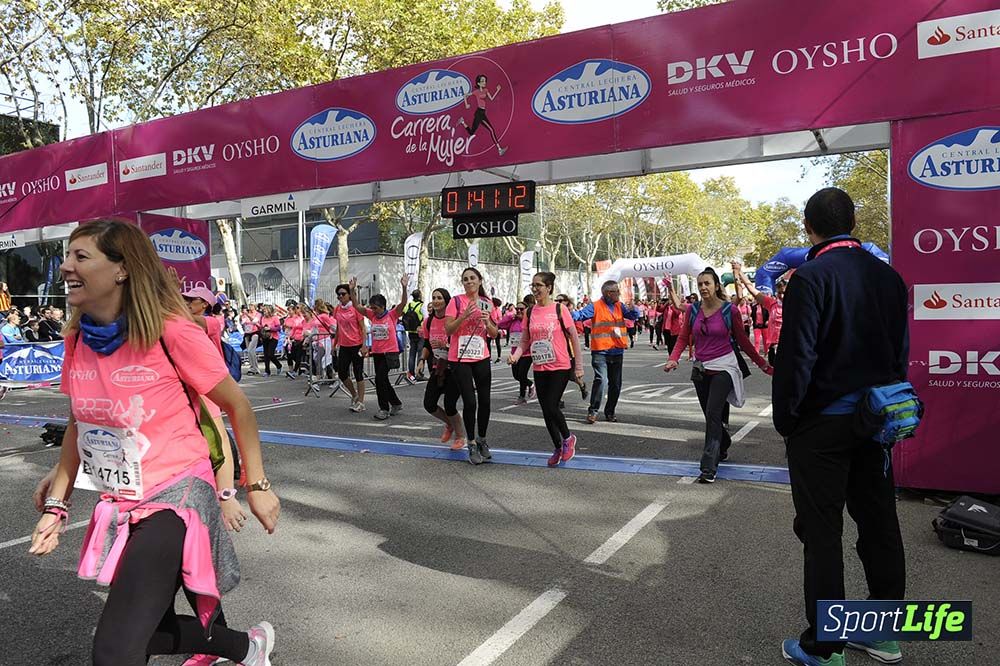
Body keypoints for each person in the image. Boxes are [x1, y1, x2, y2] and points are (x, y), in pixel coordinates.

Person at [28, 219, 280, 666]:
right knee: (146, 635)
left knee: (114, 651)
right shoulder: (76, 339)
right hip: (121, 499)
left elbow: (237, 408)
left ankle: (244, 646)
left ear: (122, 269)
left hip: (177, 495)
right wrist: (58, 502)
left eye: (80, 257)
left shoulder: (173, 332)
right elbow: (77, 424)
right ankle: (246, 647)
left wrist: (254, 486)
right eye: (67, 256)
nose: (66, 267)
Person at [773, 188, 908, 666]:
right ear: (853, 221)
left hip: (823, 425)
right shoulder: (889, 278)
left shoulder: (810, 277)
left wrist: (786, 419)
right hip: (876, 421)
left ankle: (825, 647)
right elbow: (900, 355)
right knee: (879, 522)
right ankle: (884, 633)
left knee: (822, 531)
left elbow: (797, 360)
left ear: (809, 228)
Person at [664, 268, 771, 483]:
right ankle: (723, 444)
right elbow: (684, 337)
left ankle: (708, 468)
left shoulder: (729, 311)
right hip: (701, 368)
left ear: (716, 286)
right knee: (710, 415)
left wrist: (763, 364)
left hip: (724, 367)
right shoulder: (693, 310)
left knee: (713, 413)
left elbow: (742, 340)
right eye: (700, 284)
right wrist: (673, 358)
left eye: (707, 283)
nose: (703, 287)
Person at [509, 272, 584, 467]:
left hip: (560, 365)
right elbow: (525, 339)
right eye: (533, 285)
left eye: (539, 285)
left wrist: (579, 368)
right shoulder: (530, 312)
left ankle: (568, 438)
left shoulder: (560, 309)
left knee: (551, 405)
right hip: (540, 366)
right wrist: (516, 356)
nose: (535, 289)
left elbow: (574, 338)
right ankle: (558, 447)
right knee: (545, 410)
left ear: (549, 287)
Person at [444, 267, 498, 465]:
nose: (469, 282)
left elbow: (494, 333)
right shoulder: (456, 301)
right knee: (470, 401)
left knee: (485, 400)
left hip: (481, 356)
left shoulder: (487, 303)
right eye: (465, 279)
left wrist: (488, 323)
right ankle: (472, 442)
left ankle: (482, 439)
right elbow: (448, 328)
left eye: (472, 278)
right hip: (460, 358)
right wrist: (464, 316)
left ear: (480, 280)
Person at [571, 280, 640, 424]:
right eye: (616, 291)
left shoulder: (620, 306)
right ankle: (593, 411)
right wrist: (565, 312)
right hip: (600, 351)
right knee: (601, 380)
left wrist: (634, 308)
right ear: (608, 293)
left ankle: (610, 411)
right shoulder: (595, 306)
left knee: (615, 384)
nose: (619, 294)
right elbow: (579, 316)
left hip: (617, 351)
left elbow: (633, 316)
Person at [415, 288, 466, 449]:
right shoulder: (428, 321)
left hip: (454, 367)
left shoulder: (453, 320)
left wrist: (446, 345)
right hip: (437, 368)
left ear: (446, 301)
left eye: (440, 298)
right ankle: (449, 424)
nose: (436, 301)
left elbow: (462, 344)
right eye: (434, 297)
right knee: (429, 404)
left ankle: (460, 436)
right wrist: (422, 360)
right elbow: (427, 344)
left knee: (450, 405)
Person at [354, 275, 409, 420]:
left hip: (389, 353)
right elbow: (358, 307)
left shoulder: (392, 315)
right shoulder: (372, 316)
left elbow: (403, 303)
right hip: (377, 353)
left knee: (379, 379)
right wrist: (353, 291)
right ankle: (396, 403)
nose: (373, 310)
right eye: (372, 308)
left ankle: (383, 408)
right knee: (383, 380)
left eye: (376, 308)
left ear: (383, 306)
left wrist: (404, 287)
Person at [734, 262, 786, 367]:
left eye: (784, 292)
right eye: (779, 292)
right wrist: (740, 272)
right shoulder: (772, 304)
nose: (781, 295)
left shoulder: (796, 305)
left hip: (789, 347)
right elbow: (753, 291)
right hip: (774, 347)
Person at [333, 282, 369, 412]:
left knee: (358, 373)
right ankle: (354, 395)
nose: (340, 296)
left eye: (343, 294)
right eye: (338, 295)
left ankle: (361, 402)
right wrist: (334, 344)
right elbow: (338, 328)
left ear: (349, 295)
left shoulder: (355, 309)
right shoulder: (337, 309)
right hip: (344, 345)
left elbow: (363, 328)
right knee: (342, 373)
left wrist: (364, 346)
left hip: (357, 345)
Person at [459, 74, 507, 156]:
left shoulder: (486, 90)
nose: (484, 82)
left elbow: (491, 98)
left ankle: (463, 122)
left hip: (482, 112)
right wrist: (466, 104)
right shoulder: (476, 92)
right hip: (479, 113)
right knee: (491, 130)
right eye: (482, 81)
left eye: (485, 81)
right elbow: (465, 95)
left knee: (471, 132)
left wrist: (497, 90)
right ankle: (499, 149)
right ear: (478, 83)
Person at [497, 298, 535, 404]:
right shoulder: (513, 321)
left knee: (522, 374)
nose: (518, 311)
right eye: (517, 309)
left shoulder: (529, 320)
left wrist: (524, 317)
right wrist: (510, 316)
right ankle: (529, 384)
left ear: (526, 310)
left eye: (521, 309)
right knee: (516, 376)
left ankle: (522, 395)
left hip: (526, 353)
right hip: (514, 353)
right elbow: (500, 324)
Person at [402, 289, 425, 382]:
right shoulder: (421, 306)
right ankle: (419, 373)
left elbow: (403, 314)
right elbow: (425, 317)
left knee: (412, 353)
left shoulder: (408, 305)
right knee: (420, 353)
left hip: (410, 331)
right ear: (419, 296)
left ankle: (411, 374)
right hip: (420, 331)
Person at [259, 305, 282, 377]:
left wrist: (270, 328)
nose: (264, 312)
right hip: (265, 337)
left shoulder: (275, 318)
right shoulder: (262, 318)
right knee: (266, 355)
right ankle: (267, 371)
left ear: (269, 311)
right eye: (264, 310)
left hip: (273, 338)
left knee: (270, 354)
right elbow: (261, 327)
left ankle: (278, 365)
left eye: (265, 310)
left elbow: (278, 328)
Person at [240, 302, 263, 376]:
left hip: (255, 333)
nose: (250, 307)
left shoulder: (258, 314)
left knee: (251, 350)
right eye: (249, 305)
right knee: (249, 351)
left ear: (255, 307)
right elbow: (243, 322)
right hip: (247, 333)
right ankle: (253, 367)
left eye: (252, 305)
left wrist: (247, 315)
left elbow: (254, 321)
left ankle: (254, 368)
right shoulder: (245, 314)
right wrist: (243, 316)